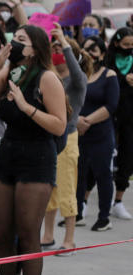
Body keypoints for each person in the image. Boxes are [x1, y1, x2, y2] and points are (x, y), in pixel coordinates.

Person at [0, 24, 67, 275]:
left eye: (21, 41)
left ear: (36, 48)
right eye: (12, 39)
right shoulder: (12, 74)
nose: (14, 44)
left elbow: (58, 125)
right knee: (2, 232)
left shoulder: (47, 78)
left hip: (37, 159)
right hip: (9, 156)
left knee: (29, 234)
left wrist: (27, 107)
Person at [40, 27, 88, 250]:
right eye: (54, 48)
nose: (56, 51)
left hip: (68, 140)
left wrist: (64, 43)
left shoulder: (78, 81)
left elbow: (77, 74)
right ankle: (48, 235)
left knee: (67, 188)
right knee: (50, 188)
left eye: (60, 49)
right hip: (49, 139)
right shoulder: (49, 78)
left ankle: (69, 239)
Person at [76, 36, 119, 231]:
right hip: (79, 133)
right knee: (78, 174)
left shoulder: (109, 75)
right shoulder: (78, 75)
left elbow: (111, 106)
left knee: (103, 174)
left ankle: (104, 217)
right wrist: (77, 120)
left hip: (101, 134)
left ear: (102, 53)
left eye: (94, 49)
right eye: (85, 49)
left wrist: (87, 121)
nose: (89, 53)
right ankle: (76, 213)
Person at [105, 27, 133, 221]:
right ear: (116, 44)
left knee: (127, 156)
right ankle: (84, 198)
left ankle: (118, 201)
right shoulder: (108, 61)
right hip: (108, 115)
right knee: (100, 156)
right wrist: (122, 79)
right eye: (125, 45)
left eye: (132, 45)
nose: (129, 49)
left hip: (130, 117)